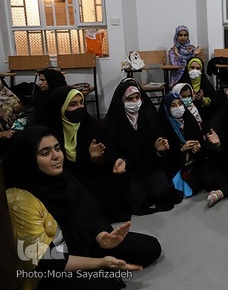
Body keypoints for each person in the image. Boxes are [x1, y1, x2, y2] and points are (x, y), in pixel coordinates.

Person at [3, 126, 162, 290]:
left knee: (149, 247)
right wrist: (99, 263)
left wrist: (102, 237)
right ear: (27, 159)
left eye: (57, 148)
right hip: (49, 268)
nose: (56, 156)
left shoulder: (63, 178)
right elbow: (43, 260)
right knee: (108, 285)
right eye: (45, 153)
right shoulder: (19, 200)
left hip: (79, 244)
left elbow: (88, 213)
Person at [42, 86, 127, 222]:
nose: (80, 107)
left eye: (81, 103)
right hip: (60, 179)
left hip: (87, 175)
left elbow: (109, 152)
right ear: (60, 107)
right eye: (73, 104)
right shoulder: (48, 132)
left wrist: (101, 159)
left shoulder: (89, 124)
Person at [102, 79, 180, 215]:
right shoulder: (113, 122)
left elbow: (157, 140)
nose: (134, 102)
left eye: (137, 97)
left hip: (151, 166)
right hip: (129, 170)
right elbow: (110, 149)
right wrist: (117, 160)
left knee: (162, 191)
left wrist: (158, 148)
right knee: (137, 199)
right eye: (129, 99)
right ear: (121, 101)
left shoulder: (149, 115)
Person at [157, 92, 204, 198]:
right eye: (173, 105)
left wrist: (197, 149)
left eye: (180, 104)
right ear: (167, 109)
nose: (178, 107)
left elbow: (201, 145)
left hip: (192, 163)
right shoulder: (163, 125)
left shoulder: (190, 120)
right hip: (173, 164)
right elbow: (164, 158)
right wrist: (181, 150)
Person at [177, 56, 221, 126]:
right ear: (187, 68)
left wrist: (203, 100)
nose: (195, 70)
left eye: (198, 68)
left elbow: (214, 104)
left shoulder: (206, 85)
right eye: (192, 68)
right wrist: (190, 99)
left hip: (204, 118)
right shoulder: (180, 84)